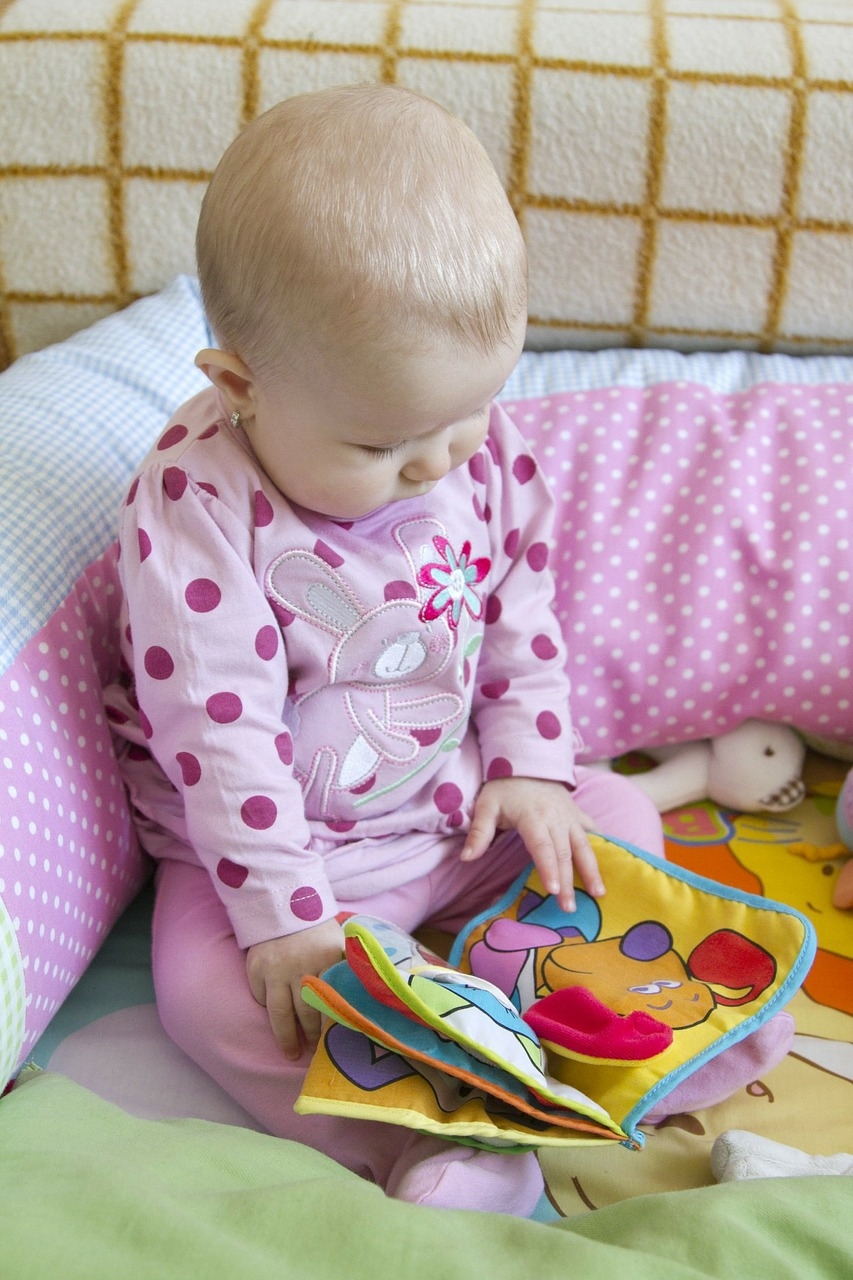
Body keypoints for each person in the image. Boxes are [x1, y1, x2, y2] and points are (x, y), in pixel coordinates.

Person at [105, 84, 770, 1216]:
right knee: (209, 1001)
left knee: (615, 827)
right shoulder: (195, 506)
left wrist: (526, 770)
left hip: (454, 813)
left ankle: (558, 1014)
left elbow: (519, 603)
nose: (437, 467)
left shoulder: (477, 449)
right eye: (384, 443)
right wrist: (288, 919)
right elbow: (218, 736)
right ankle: (429, 1127)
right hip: (275, 859)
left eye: (466, 421)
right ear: (241, 385)